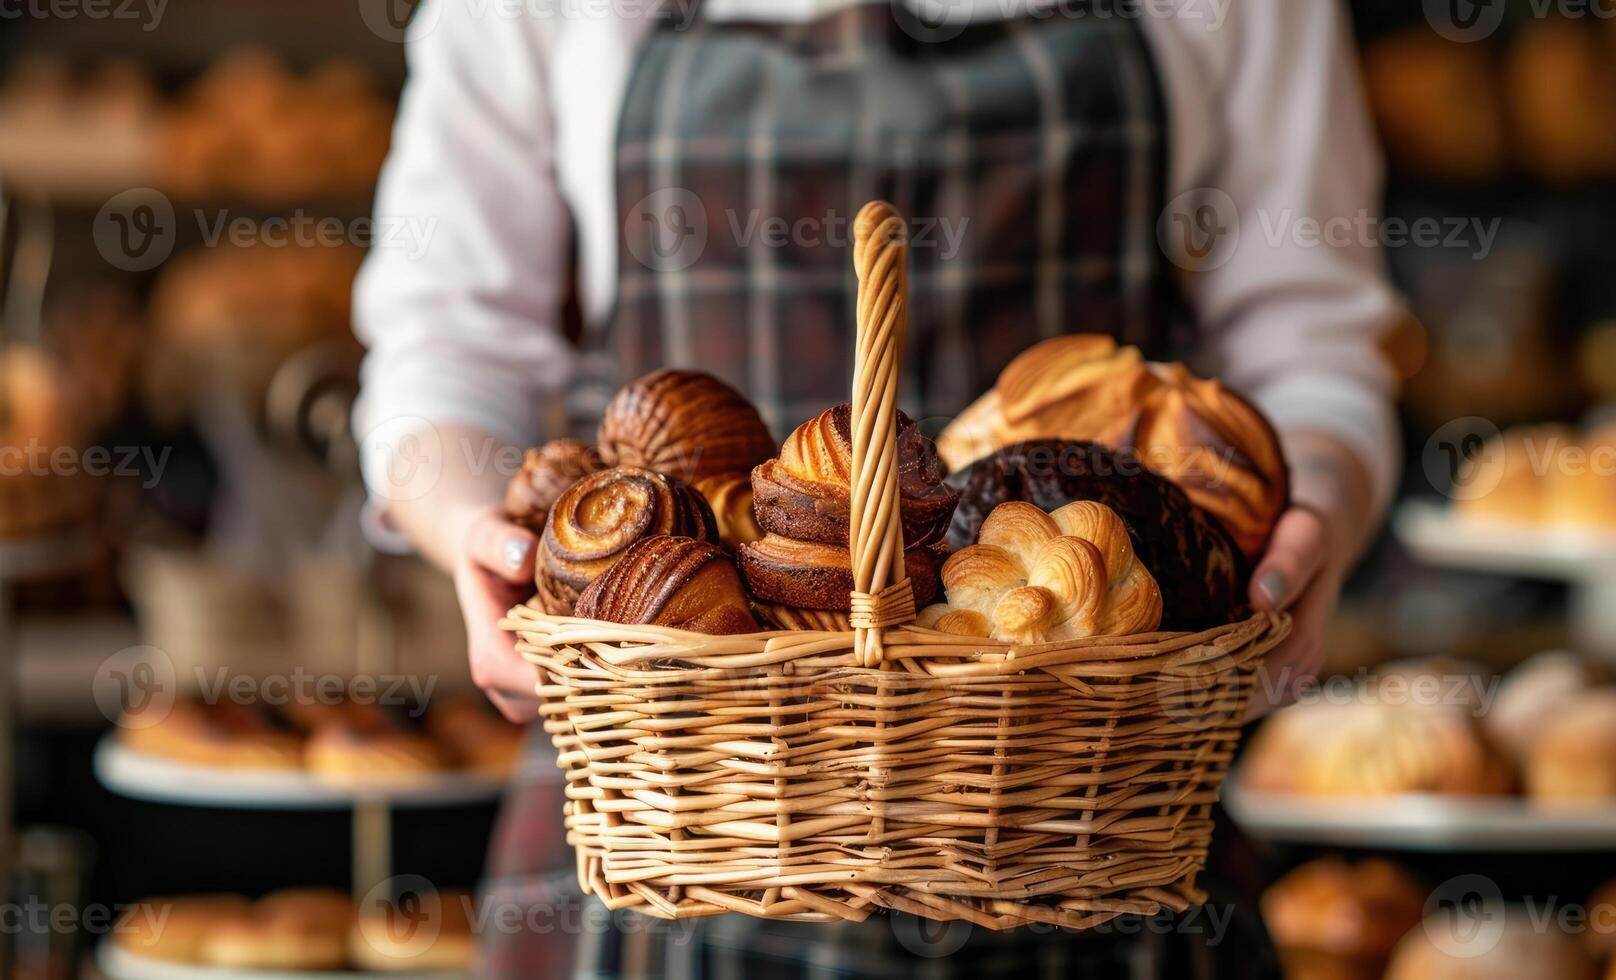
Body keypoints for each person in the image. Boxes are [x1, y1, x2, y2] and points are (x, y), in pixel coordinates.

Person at [353, 0, 1401, 974]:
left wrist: (1321, 517)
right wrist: (479, 538)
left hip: (1089, 788)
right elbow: (445, 341)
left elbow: (1309, 333)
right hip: (667, 789)